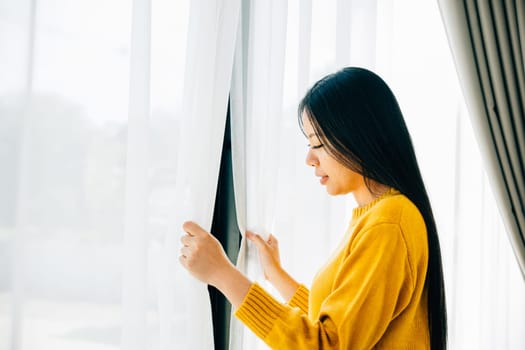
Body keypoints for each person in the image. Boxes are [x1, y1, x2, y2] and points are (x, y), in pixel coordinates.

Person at [179, 67, 447, 349]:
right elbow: (339, 325)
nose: (309, 158)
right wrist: (276, 276)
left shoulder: (388, 223)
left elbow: (327, 344)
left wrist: (222, 274)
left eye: (317, 143)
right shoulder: (380, 217)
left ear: (358, 136)